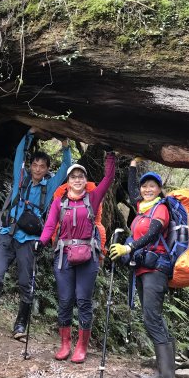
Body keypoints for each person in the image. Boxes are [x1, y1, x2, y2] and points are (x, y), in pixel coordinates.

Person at [0, 128, 71, 339]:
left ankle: (20, 324)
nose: (37, 169)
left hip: (29, 241)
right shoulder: (21, 179)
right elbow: (20, 153)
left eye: (42, 166)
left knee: (26, 283)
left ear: (47, 169)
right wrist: (30, 133)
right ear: (30, 166)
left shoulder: (51, 186)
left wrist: (65, 144)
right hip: (7, 235)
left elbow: (66, 166)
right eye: (34, 165)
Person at [39, 150, 116, 363]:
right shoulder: (59, 202)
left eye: (81, 177)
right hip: (63, 256)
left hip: (88, 256)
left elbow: (108, 179)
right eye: (73, 177)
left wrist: (110, 155)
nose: (77, 180)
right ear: (68, 181)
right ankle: (65, 344)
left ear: (85, 180)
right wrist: (41, 242)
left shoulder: (93, 197)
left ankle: (81, 347)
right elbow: (50, 225)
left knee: (83, 301)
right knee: (64, 301)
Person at [109, 158, 176, 378]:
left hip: (156, 269)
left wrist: (128, 247)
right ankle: (162, 373)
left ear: (159, 190)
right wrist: (133, 165)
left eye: (152, 186)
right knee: (152, 320)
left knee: (152, 319)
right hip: (141, 268)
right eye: (144, 186)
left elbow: (153, 234)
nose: (147, 189)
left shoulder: (161, 209)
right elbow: (130, 189)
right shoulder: (141, 208)